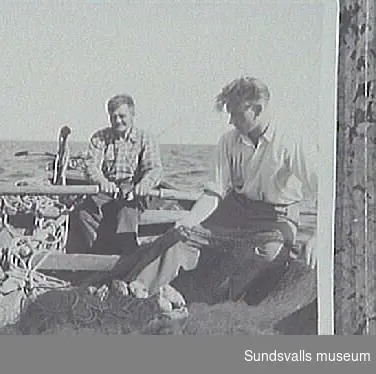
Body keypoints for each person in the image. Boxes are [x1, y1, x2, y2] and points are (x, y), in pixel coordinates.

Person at [122, 77, 318, 304]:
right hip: (235, 210)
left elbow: (324, 189)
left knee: (267, 255)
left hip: (277, 218)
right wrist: (190, 220)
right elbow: (214, 192)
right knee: (181, 236)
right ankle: (137, 289)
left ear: (257, 108)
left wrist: (317, 237)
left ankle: (208, 298)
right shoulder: (228, 141)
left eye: (235, 113)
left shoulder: (291, 139)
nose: (230, 121)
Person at [72, 94, 163, 255]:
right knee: (83, 212)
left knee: (127, 211)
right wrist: (102, 181)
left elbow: (154, 169)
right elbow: (91, 167)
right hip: (109, 189)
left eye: (122, 116)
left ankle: (128, 257)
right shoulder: (99, 138)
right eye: (113, 117)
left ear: (132, 115)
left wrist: (144, 184)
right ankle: (100, 255)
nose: (118, 121)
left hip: (135, 191)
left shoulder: (146, 138)